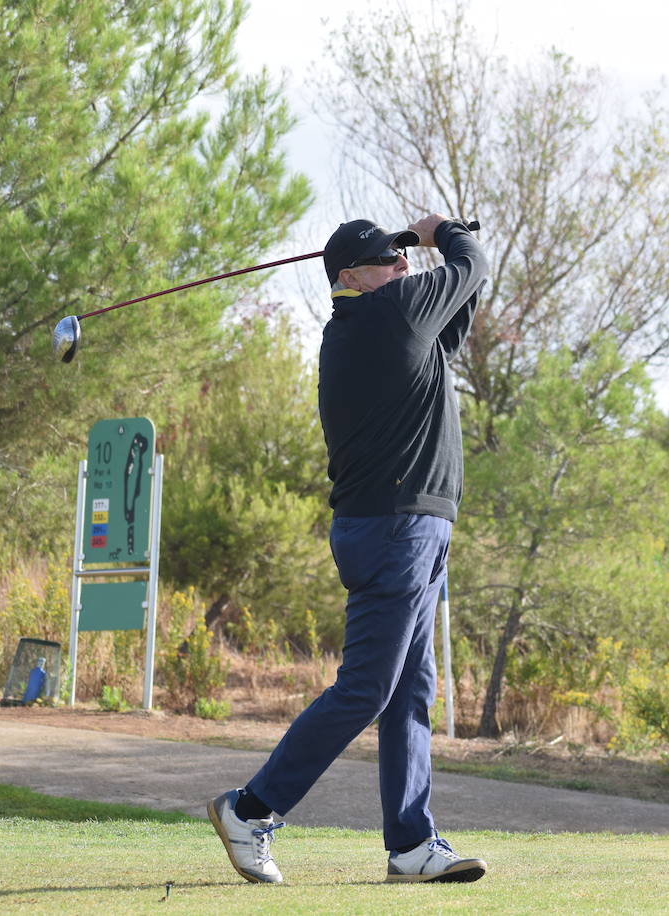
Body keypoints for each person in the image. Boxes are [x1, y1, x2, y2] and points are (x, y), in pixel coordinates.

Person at [208, 214, 488, 885]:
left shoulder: (383, 325)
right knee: (367, 687)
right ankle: (250, 808)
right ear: (350, 278)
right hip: (396, 530)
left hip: (409, 528)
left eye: (400, 258)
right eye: (386, 260)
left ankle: (412, 844)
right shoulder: (387, 313)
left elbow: (458, 315)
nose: (401, 267)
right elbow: (471, 266)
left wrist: (419, 246)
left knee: (409, 690)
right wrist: (439, 231)